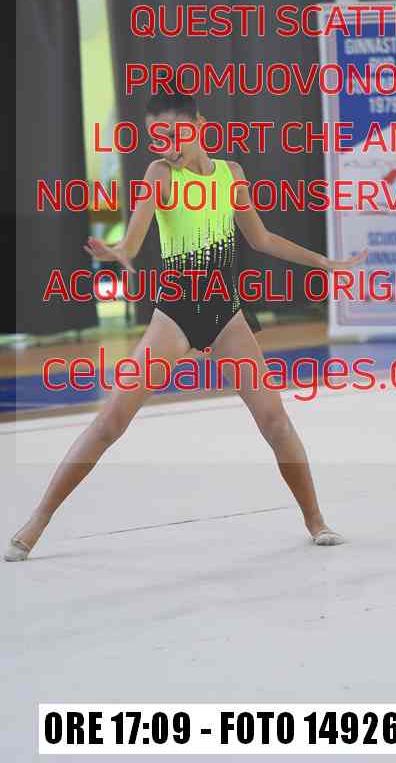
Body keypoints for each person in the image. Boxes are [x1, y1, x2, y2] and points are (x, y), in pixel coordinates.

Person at [4, 90, 368, 562]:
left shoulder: (231, 174)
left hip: (225, 312)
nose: (167, 146)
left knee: (275, 420)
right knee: (111, 420)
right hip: (176, 313)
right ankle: (37, 520)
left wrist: (322, 262)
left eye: (175, 134)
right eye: (157, 137)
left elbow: (261, 238)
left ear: (199, 126)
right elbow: (134, 239)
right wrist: (118, 252)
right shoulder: (160, 175)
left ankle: (315, 520)